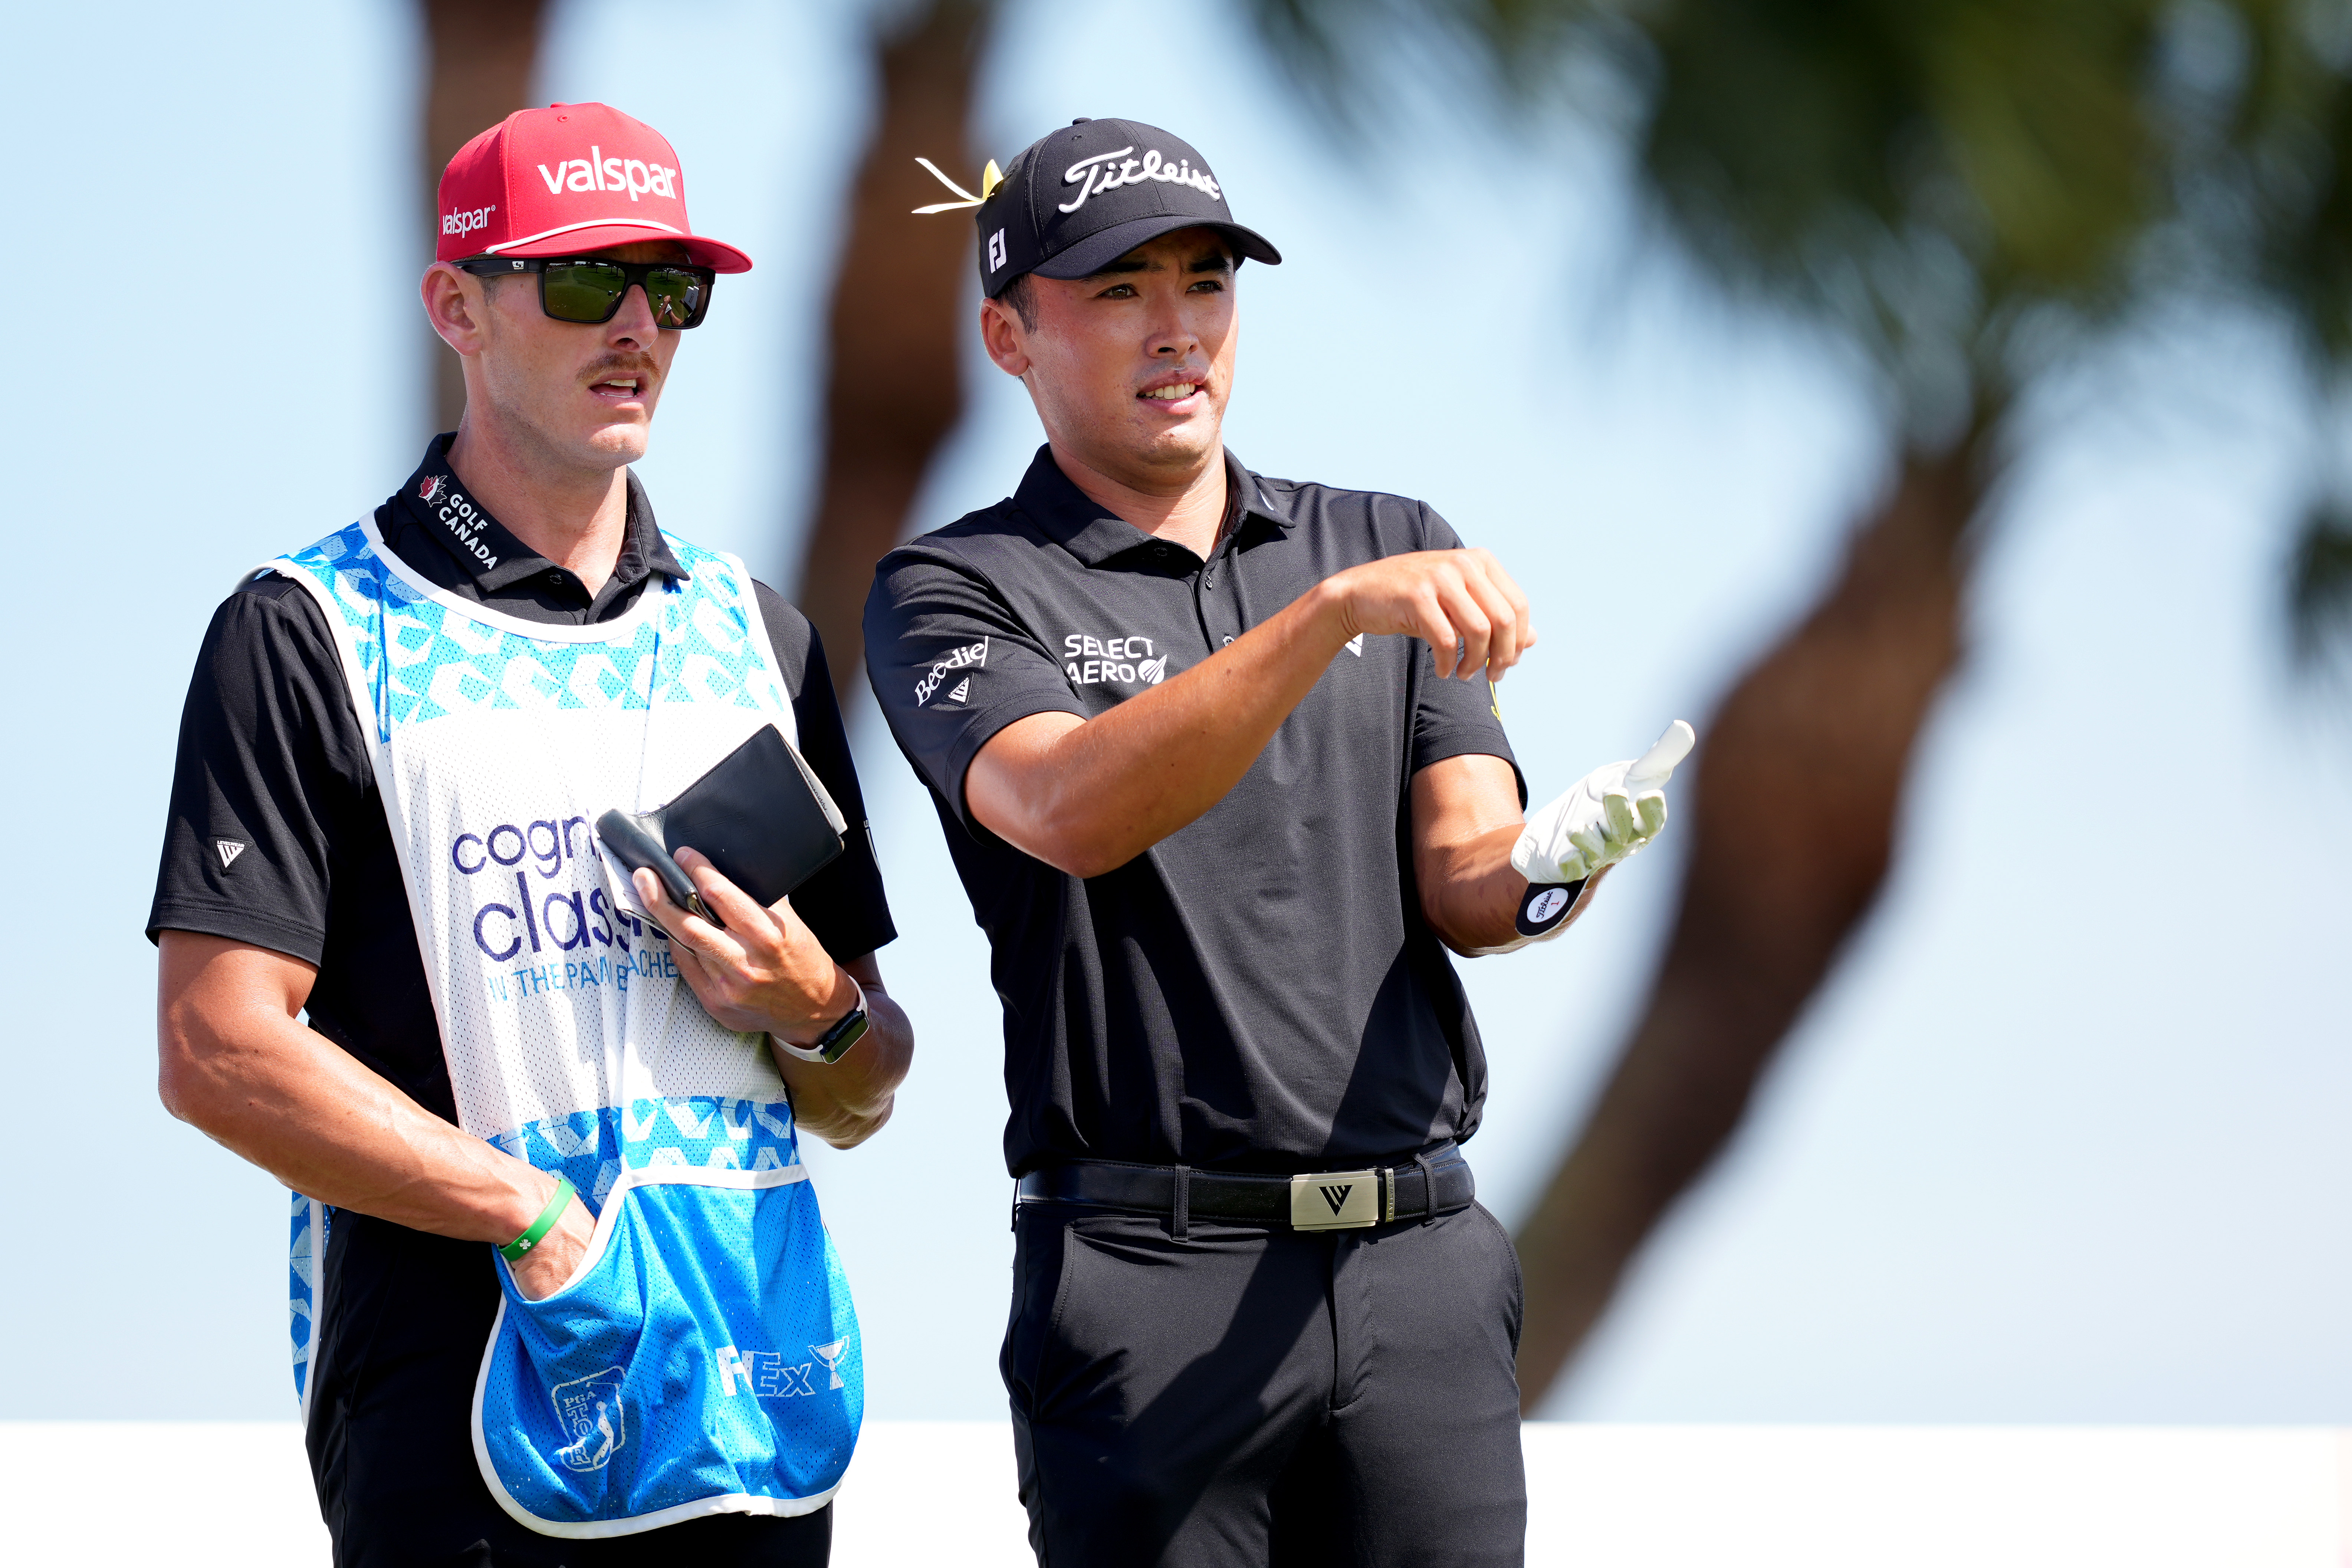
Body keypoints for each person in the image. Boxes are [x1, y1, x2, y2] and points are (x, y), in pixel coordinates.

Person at [868, 118, 1692, 1567]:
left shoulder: (1381, 537)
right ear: (1008, 335)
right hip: (1143, 1270)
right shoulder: (956, 587)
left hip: (1415, 1267)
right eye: (1119, 289)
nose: (1175, 326)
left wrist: (1564, 850)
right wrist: (1319, 622)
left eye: (1207, 281)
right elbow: (1070, 809)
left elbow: (1470, 884)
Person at [150, 102, 910, 1566]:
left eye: (672, 287)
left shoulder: (760, 638)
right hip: (464, 1404)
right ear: (458, 308)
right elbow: (218, 1049)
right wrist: (529, 1215)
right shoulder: (305, 630)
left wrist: (814, 1015)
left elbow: (867, 1082)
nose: (637, 325)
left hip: (752, 1400)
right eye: (581, 281)